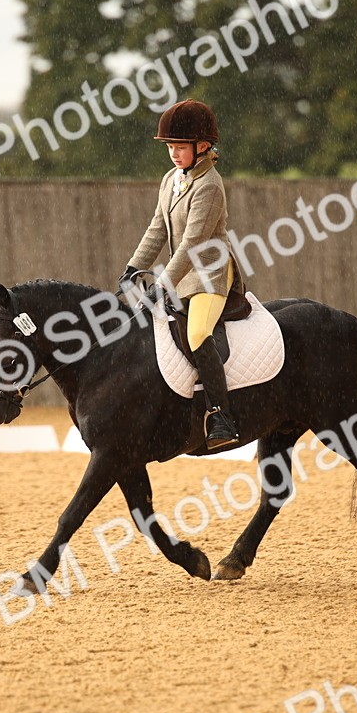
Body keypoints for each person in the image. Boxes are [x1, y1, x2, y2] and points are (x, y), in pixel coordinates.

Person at [119, 99, 247, 450]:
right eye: (170, 147)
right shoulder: (171, 180)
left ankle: (222, 415)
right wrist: (133, 266)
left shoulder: (210, 186)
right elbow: (157, 227)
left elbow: (192, 243)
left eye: (180, 147)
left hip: (208, 276)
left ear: (203, 146)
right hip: (181, 275)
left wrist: (162, 284)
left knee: (197, 333)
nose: (174, 154)